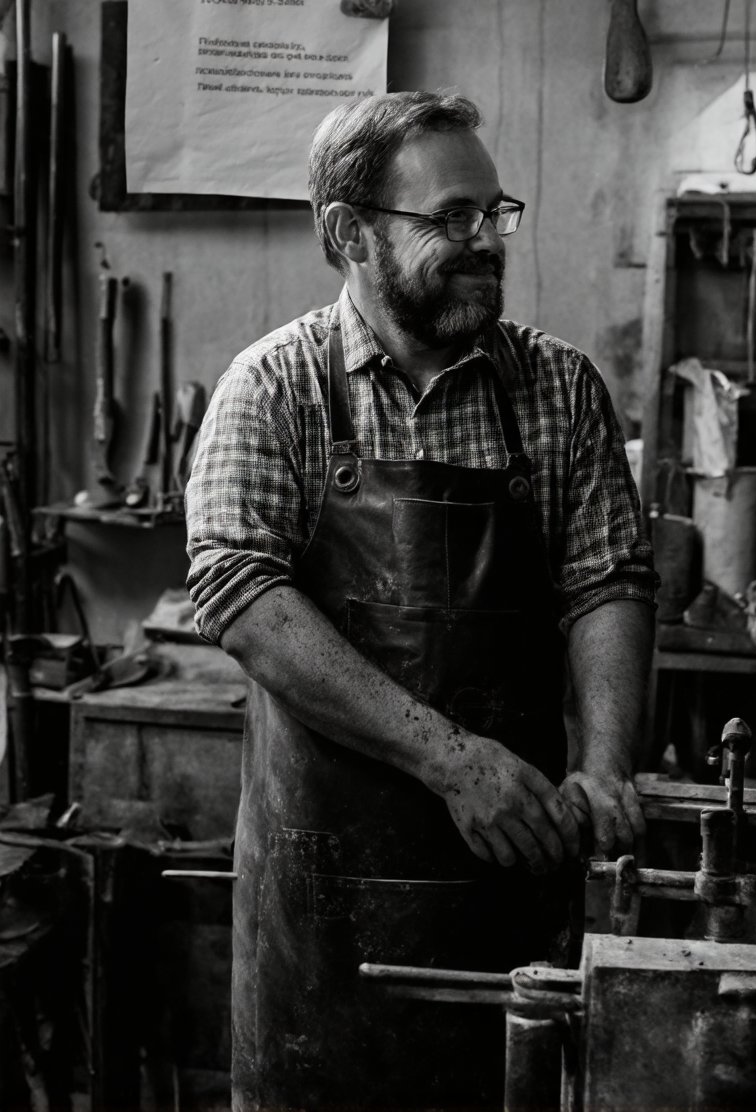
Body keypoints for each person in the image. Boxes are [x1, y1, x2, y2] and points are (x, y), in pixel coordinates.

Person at [185, 89, 657, 1112]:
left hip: (515, 886)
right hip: (323, 924)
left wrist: (607, 763)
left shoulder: (561, 389)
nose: (487, 239)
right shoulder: (274, 389)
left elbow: (607, 578)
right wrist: (449, 759)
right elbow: (239, 592)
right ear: (349, 232)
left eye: (496, 212)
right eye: (452, 218)